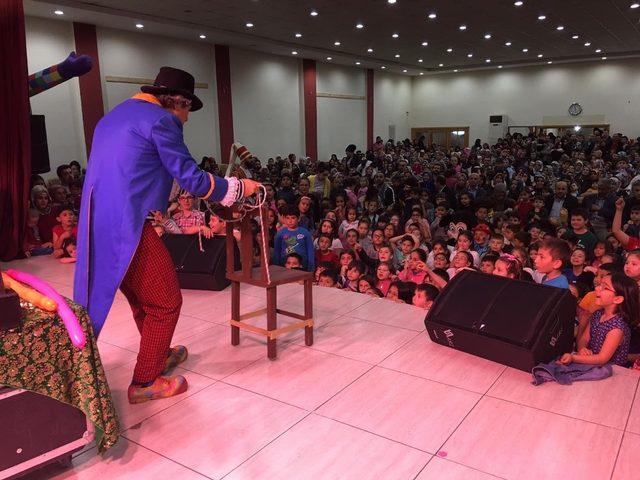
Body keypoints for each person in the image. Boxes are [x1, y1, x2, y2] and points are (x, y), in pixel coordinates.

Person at [74, 67, 260, 404]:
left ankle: (156, 354)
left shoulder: (113, 117)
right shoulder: (161, 121)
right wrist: (239, 187)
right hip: (127, 224)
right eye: (188, 109)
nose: (186, 119)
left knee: (142, 297)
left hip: (98, 220)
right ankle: (145, 380)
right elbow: (192, 178)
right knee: (165, 302)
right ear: (179, 102)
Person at [558, 273, 639, 367]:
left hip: (612, 371)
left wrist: (573, 357)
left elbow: (602, 358)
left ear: (617, 299)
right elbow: (584, 339)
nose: (597, 288)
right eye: (600, 285)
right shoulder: (598, 314)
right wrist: (582, 349)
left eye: (605, 287)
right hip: (592, 365)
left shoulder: (618, 327)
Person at [273, 204, 315, 271]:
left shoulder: (305, 233)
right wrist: (277, 269)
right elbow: (276, 253)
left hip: (302, 268)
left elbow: (310, 252)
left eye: (293, 218)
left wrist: (311, 269)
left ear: (298, 218)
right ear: (284, 218)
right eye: (287, 218)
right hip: (284, 268)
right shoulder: (280, 234)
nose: (290, 221)